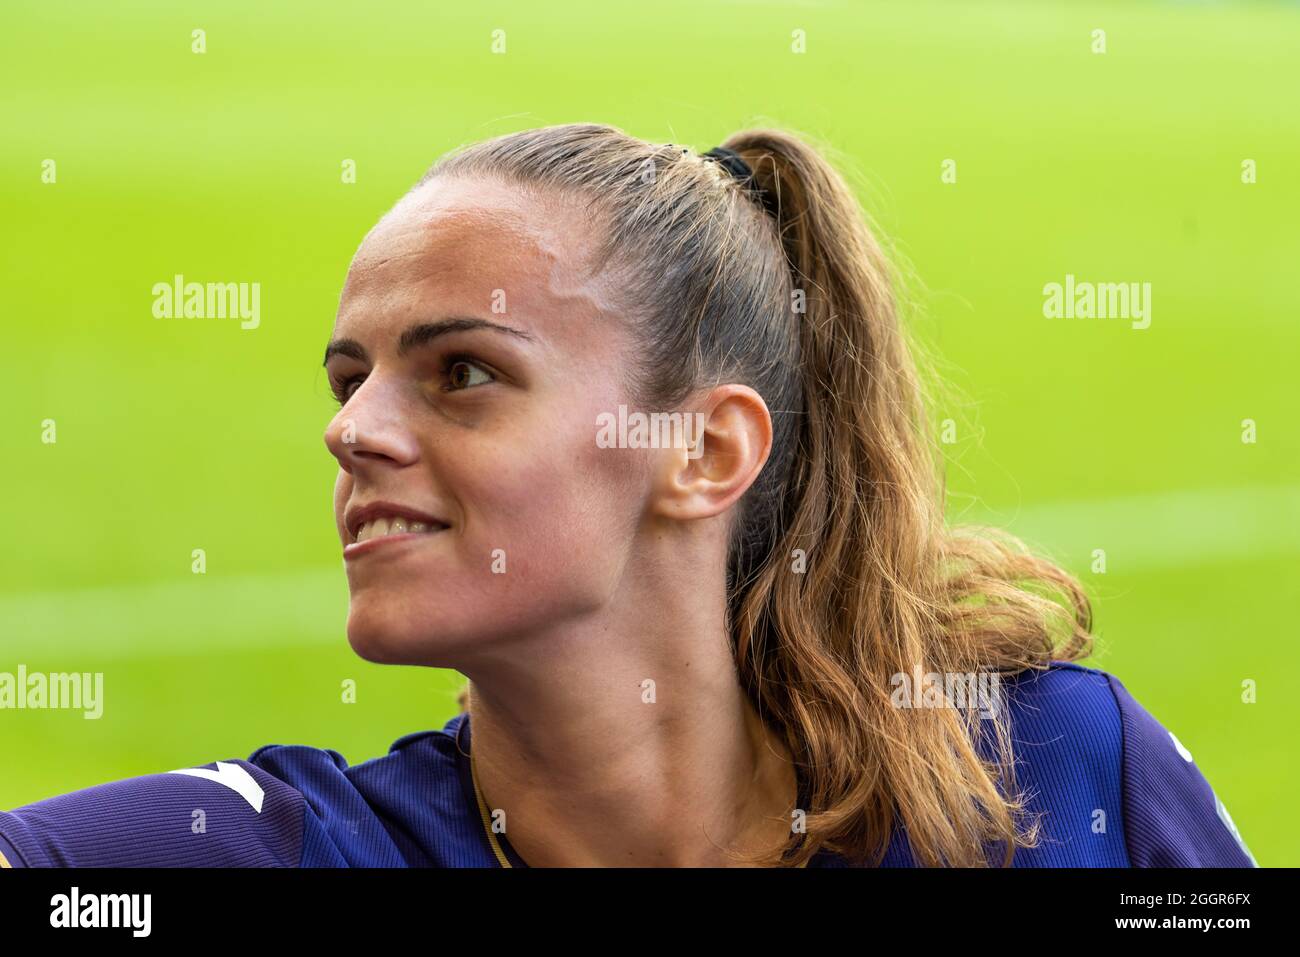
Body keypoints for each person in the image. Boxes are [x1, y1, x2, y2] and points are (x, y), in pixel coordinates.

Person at [0, 124, 1256, 868]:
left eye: (463, 374)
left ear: (703, 451)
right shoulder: (281, 848)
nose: (352, 430)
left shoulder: (1045, 776)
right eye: (350, 377)